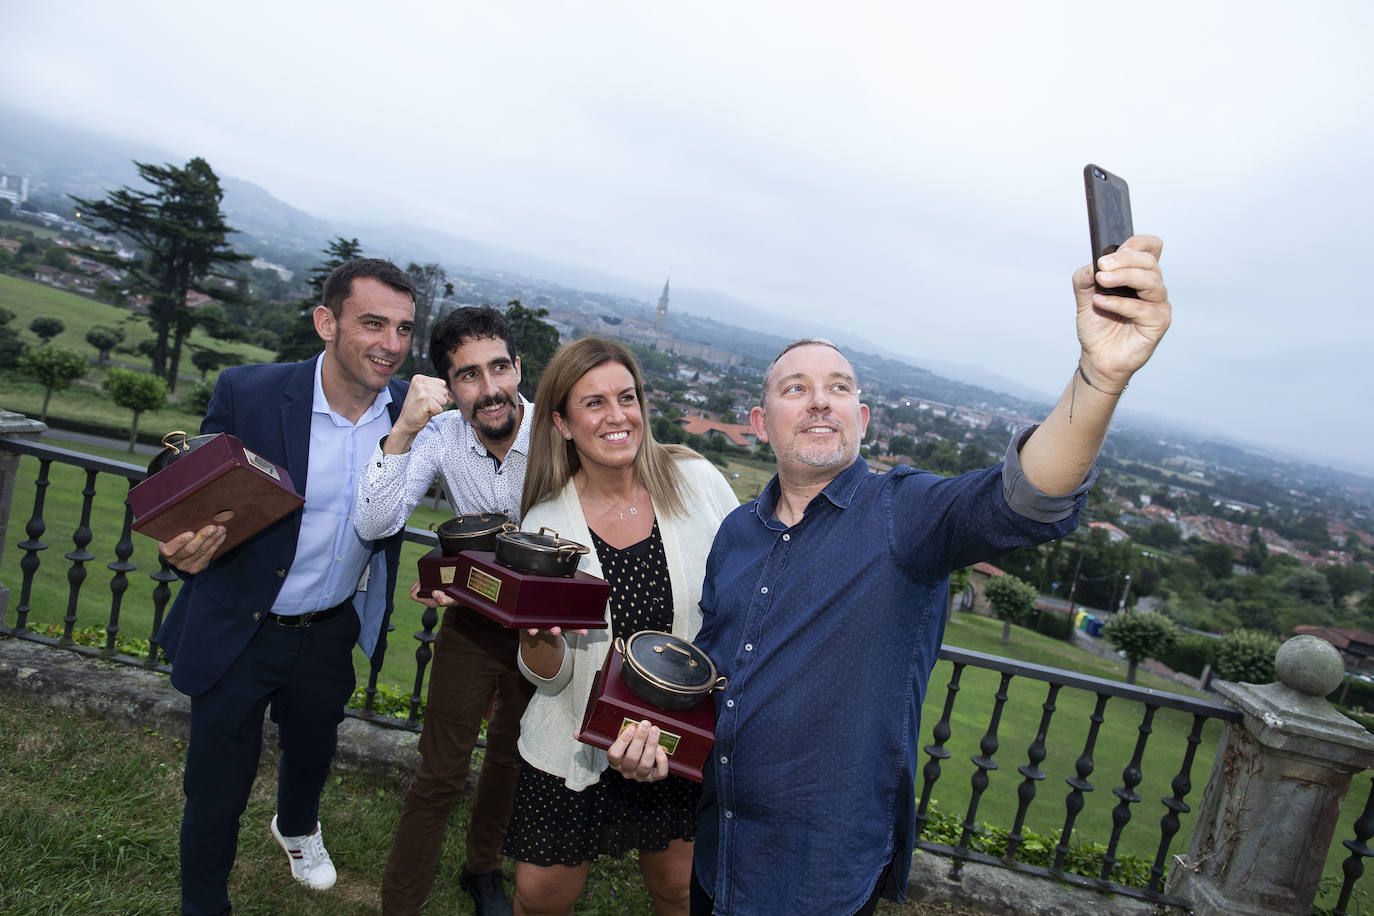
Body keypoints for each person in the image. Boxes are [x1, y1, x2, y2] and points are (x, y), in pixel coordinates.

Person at [611, 235, 1173, 914]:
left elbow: (1024, 498)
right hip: (722, 845)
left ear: (862, 419)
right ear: (761, 423)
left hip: (819, 873)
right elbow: (719, 674)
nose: (820, 401)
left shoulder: (904, 515)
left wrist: (1100, 376)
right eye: (797, 389)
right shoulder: (737, 534)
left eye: (839, 389)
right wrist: (653, 739)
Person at [155, 258, 416, 916]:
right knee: (216, 786)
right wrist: (180, 551)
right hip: (240, 625)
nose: (391, 344)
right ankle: (203, 902)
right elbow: (195, 503)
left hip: (330, 631)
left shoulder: (416, 416)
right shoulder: (248, 392)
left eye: (405, 329)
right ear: (326, 322)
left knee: (312, 750)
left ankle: (297, 829)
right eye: (374, 324)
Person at [503, 337, 739, 916]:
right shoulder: (545, 524)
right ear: (560, 422)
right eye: (593, 403)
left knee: (679, 892)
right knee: (539, 899)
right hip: (572, 739)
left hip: (677, 739)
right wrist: (536, 641)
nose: (617, 416)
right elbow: (551, 678)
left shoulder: (696, 480)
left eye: (626, 397)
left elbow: (744, 590)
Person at [354, 305, 535, 916]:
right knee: (440, 772)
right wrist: (403, 429)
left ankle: (483, 869)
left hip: (545, 630)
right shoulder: (440, 435)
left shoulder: (558, 430)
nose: (489, 390)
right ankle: (400, 904)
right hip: (474, 623)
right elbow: (376, 520)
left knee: (511, 760)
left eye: (499, 368)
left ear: (518, 367)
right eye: (468, 376)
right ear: (448, 385)